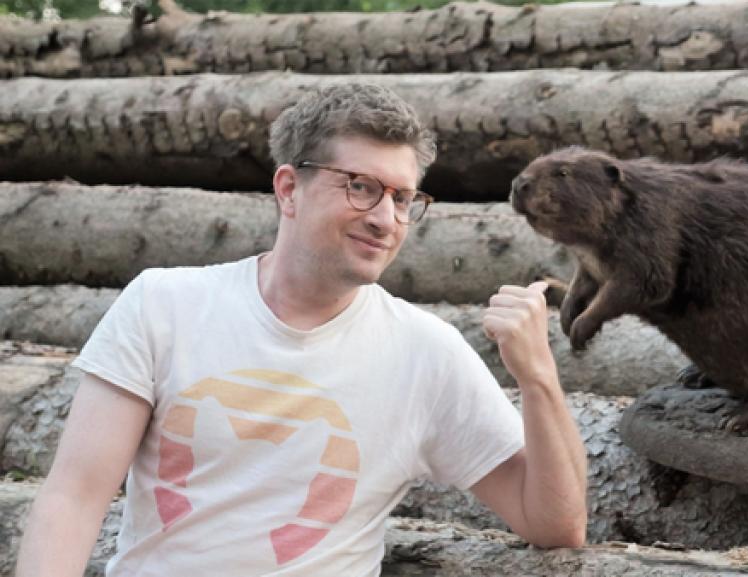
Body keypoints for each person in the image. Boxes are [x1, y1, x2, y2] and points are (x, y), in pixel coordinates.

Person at [15, 83, 588, 576]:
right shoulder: (165, 304)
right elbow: (74, 497)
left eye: (403, 197)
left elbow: (554, 522)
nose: (386, 218)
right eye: (360, 186)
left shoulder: (425, 353)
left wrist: (537, 377)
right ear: (289, 188)